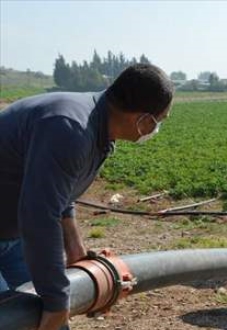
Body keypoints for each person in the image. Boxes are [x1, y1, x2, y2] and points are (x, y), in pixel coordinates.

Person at [0, 63, 174, 330]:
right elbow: (39, 216)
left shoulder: (98, 128)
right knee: (13, 318)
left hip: (12, 234)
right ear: (143, 120)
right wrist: (58, 301)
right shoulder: (71, 129)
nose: (154, 129)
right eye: (158, 122)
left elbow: (61, 195)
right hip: (20, 226)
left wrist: (75, 250)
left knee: (46, 318)